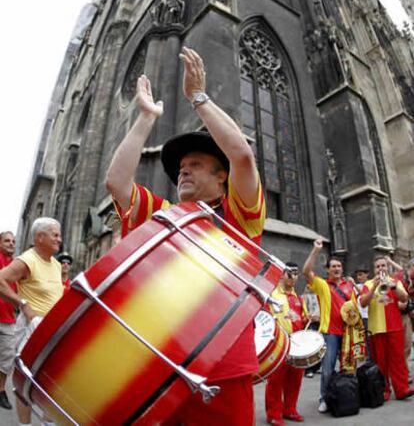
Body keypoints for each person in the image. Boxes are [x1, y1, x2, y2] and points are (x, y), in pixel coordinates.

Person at [106, 46, 265, 426]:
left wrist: (198, 98)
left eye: (195, 165)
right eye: (180, 168)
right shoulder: (164, 215)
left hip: (223, 368)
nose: (183, 172)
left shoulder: (239, 214)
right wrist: (145, 118)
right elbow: (116, 182)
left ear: (220, 177)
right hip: (162, 366)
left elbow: (241, 155)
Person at [0, 217, 64, 426]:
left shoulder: (55, 264)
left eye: (60, 235)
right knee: (24, 382)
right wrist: (24, 305)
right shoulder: (28, 260)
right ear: (40, 237)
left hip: (53, 331)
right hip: (32, 328)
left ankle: (48, 423)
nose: (59, 239)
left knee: (54, 383)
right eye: (55, 235)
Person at [302, 238, 356, 413]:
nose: (337, 269)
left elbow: (354, 309)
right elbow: (306, 271)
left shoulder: (349, 285)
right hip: (330, 333)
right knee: (327, 370)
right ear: (327, 269)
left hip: (348, 332)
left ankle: (348, 396)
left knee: (348, 367)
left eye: (339, 266)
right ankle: (324, 398)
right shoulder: (322, 284)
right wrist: (316, 250)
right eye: (333, 266)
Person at [360, 255, 414, 401]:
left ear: (387, 267)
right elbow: (363, 303)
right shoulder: (368, 284)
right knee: (380, 362)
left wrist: (394, 287)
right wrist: (373, 288)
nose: (381, 268)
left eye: (383, 265)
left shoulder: (395, 281)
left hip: (395, 327)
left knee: (398, 360)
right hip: (377, 328)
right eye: (378, 266)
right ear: (374, 269)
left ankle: (402, 389)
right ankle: (384, 390)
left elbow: (404, 298)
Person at [265, 262, 307, 425]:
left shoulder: (298, 297)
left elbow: (302, 317)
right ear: (282, 274)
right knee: (276, 380)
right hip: (279, 343)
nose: (293, 277)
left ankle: (290, 409)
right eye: (290, 273)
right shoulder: (273, 295)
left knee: (295, 379)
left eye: (296, 274)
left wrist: (308, 318)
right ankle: (274, 414)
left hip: (297, 343)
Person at [0, 231, 16, 410]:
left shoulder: (16, 266)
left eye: (13, 241)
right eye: (7, 241)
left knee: (6, 359)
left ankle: (1, 391)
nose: (11, 244)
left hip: (8, 319)